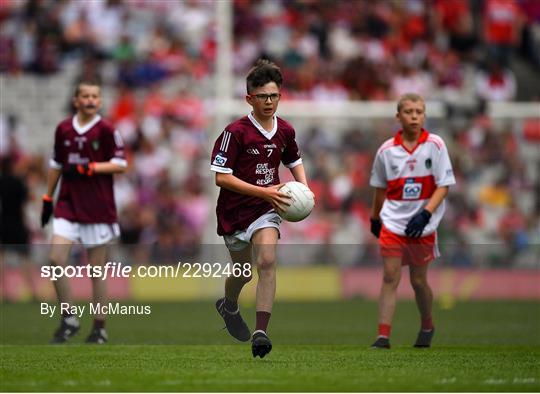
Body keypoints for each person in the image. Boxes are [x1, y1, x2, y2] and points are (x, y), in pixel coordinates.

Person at [210, 59, 308, 358]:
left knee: (266, 261)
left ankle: (261, 331)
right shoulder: (235, 132)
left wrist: (304, 189)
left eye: (274, 95)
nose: (269, 101)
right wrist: (264, 190)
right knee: (242, 272)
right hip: (234, 211)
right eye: (263, 96)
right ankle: (229, 305)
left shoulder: (286, 130)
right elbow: (221, 178)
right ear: (249, 98)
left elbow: (294, 162)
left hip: (266, 210)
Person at [41, 80, 127, 344]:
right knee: (56, 260)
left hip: (97, 207)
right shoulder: (63, 129)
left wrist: (91, 168)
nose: (90, 100)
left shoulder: (107, 130)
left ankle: (99, 327)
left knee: (96, 270)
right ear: (76, 100)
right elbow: (56, 164)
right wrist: (47, 196)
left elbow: (120, 164)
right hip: (68, 203)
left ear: (99, 102)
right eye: (85, 96)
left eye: (95, 96)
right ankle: (69, 317)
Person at [369, 93, 455, 349]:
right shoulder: (386, 151)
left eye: (419, 111)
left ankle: (427, 324)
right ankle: (383, 336)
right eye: (409, 111)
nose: (415, 116)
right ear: (399, 116)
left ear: (424, 115)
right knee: (390, 277)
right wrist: (375, 218)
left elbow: (444, 186)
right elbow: (380, 189)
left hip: (423, 225)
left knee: (418, 281)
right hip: (393, 223)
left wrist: (426, 213)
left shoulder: (436, 145)